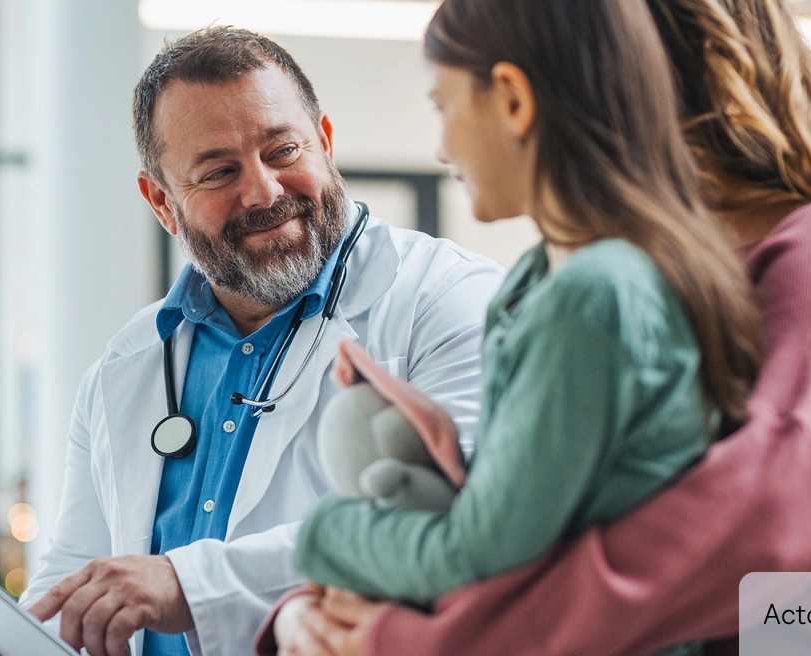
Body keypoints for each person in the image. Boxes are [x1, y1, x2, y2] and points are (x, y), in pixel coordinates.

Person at [261, 0, 811, 654]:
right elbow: (536, 517)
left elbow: (758, 529)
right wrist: (308, 608)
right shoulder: (600, 281)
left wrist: (428, 639)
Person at [0, 26, 502, 656]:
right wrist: (16, 640)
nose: (264, 191)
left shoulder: (449, 300)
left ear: (325, 144)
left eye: (282, 151)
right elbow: (79, 568)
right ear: (163, 203)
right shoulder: (130, 362)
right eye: (219, 172)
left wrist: (188, 585)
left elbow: (455, 520)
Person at [286, 0, 762, 633]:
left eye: (443, 107)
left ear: (512, 100)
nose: (441, 145)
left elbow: (477, 555)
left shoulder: (593, 296)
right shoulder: (539, 281)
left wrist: (322, 533)